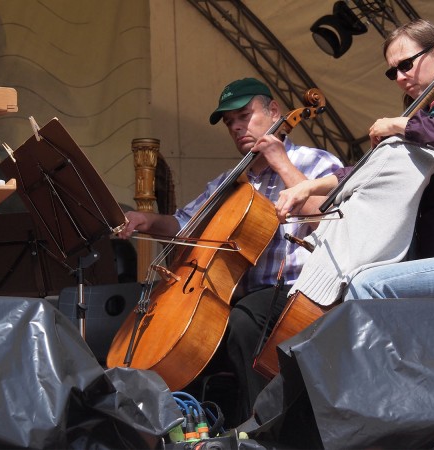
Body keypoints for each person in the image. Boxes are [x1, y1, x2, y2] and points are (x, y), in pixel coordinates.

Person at [118, 77, 343, 422]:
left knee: (242, 321)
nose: (237, 127)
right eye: (230, 123)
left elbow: (326, 219)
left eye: (244, 115)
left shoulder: (316, 162)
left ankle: (262, 427)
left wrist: (280, 162)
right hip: (248, 296)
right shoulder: (229, 182)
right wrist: (146, 221)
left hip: (302, 292)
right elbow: (184, 225)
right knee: (194, 337)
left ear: (273, 111)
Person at [275, 19, 434, 303]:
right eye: (392, 72)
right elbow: (362, 172)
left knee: (368, 285)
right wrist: (307, 188)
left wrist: (400, 126)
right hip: (431, 258)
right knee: (348, 279)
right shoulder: (419, 124)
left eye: (405, 65)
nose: (399, 77)